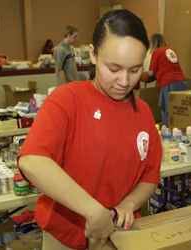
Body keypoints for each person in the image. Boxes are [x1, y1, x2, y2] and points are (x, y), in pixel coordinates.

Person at [18, 10, 162, 249]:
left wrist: (128, 204)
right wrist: (93, 211)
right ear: (93, 55)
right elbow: (32, 160)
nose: (124, 82)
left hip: (119, 234)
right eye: (114, 69)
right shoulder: (68, 99)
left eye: (134, 70)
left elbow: (149, 177)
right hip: (65, 236)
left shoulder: (143, 113)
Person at [140, 33, 188, 125]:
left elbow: (151, 73)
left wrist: (141, 76)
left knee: (167, 109)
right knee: (182, 109)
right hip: (182, 82)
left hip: (169, 83)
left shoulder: (156, 52)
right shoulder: (170, 50)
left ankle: (166, 131)